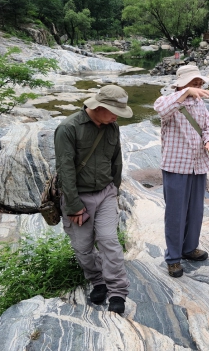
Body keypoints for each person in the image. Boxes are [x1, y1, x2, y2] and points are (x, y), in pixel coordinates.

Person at [55, 85, 133, 315]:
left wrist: (114, 189)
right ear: (99, 107)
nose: (117, 116)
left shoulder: (112, 126)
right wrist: (73, 205)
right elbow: (65, 169)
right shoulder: (68, 128)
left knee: (109, 240)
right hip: (78, 198)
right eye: (114, 111)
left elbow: (116, 160)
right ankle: (98, 281)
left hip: (106, 193)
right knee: (83, 248)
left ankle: (117, 291)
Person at [153, 65, 209, 278]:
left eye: (199, 83)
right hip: (176, 165)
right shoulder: (168, 100)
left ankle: (189, 248)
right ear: (181, 84)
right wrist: (186, 92)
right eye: (194, 83)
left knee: (196, 210)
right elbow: (161, 110)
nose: (198, 87)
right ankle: (173, 258)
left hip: (198, 164)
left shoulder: (200, 103)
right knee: (175, 214)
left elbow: (208, 126)